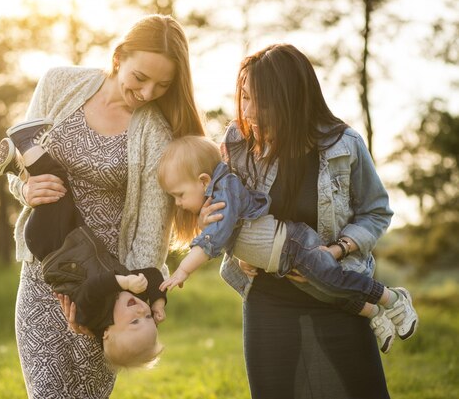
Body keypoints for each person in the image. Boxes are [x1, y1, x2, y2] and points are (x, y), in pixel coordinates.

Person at [4, 14, 204, 398]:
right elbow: (18, 156)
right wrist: (25, 190)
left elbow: (151, 227)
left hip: (107, 284)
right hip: (46, 270)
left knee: (87, 394)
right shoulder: (59, 83)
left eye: (162, 85)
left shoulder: (155, 131)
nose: (147, 93)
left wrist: (128, 301)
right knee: (45, 392)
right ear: (119, 57)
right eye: (140, 77)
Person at [210, 43, 396, 398]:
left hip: (339, 293)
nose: (246, 111)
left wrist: (337, 250)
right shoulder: (237, 143)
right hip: (268, 298)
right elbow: (225, 208)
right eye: (244, 97)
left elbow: (376, 211)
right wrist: (236, 248)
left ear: (290, 98)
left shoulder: (345, 144)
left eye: (257, 101)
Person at [157, 136, 418, 354]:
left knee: (332, 280)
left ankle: (392, 297)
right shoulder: (215, 198)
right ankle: (374, 313)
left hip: (293, 245)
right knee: (325, 293)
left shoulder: (226, 190)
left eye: (178, 195)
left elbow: (214, 238)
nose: (177, 203)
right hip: (281, 262)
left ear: (204, 180)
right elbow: (234, 235)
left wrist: (183, 270)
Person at [0, 124, 167, 369]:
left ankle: (25, 142)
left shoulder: (92, 315)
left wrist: (123, 282)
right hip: (72, 235)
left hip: (50, 242)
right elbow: (152, 274)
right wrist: (158, 299)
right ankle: (17, 168)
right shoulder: (128, 293)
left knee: (58, 183)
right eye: (148, 317)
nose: (141, 311)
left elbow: (92, 290)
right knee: (58, 192)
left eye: (135, 322)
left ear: (107, 333)